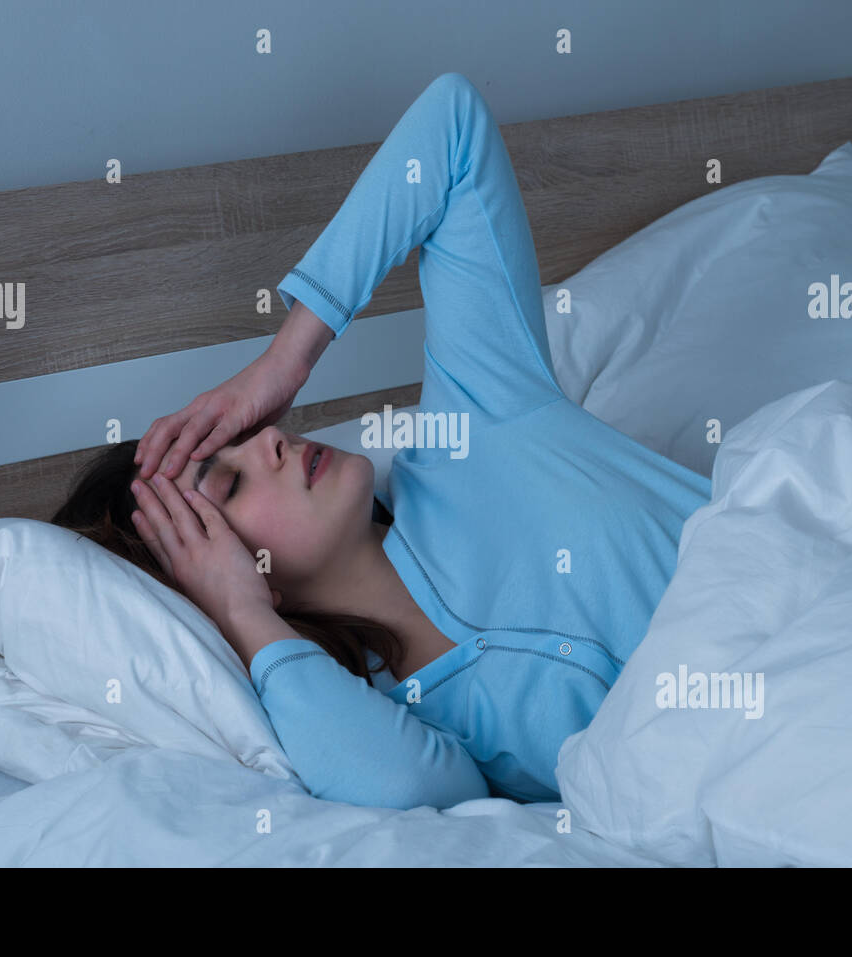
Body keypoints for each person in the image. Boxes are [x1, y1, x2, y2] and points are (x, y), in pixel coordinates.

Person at [113, 72, 710, 808]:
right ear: (230, 570)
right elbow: (417, 793)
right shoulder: (398, 720)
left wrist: (286, 357)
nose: (268, 440)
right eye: (230, 483)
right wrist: (244, 617)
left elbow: (452, 126)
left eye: (246, 431)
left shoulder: (480, 421)